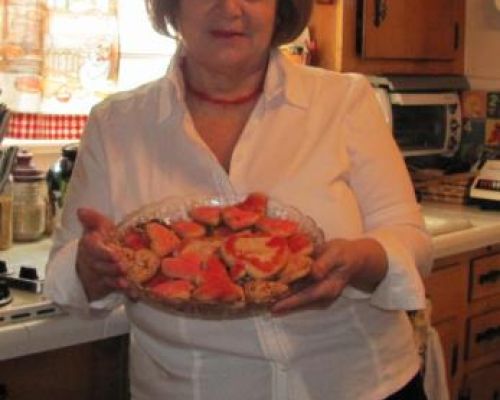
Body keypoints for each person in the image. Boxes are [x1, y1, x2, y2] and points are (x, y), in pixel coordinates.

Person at [44, 0, 434, 399]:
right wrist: (88, 266)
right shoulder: (116, 125)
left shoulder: (343, 100)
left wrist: (362, 259)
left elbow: (411, 239)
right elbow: (64, 272)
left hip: (363, 385)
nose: (230, 7)